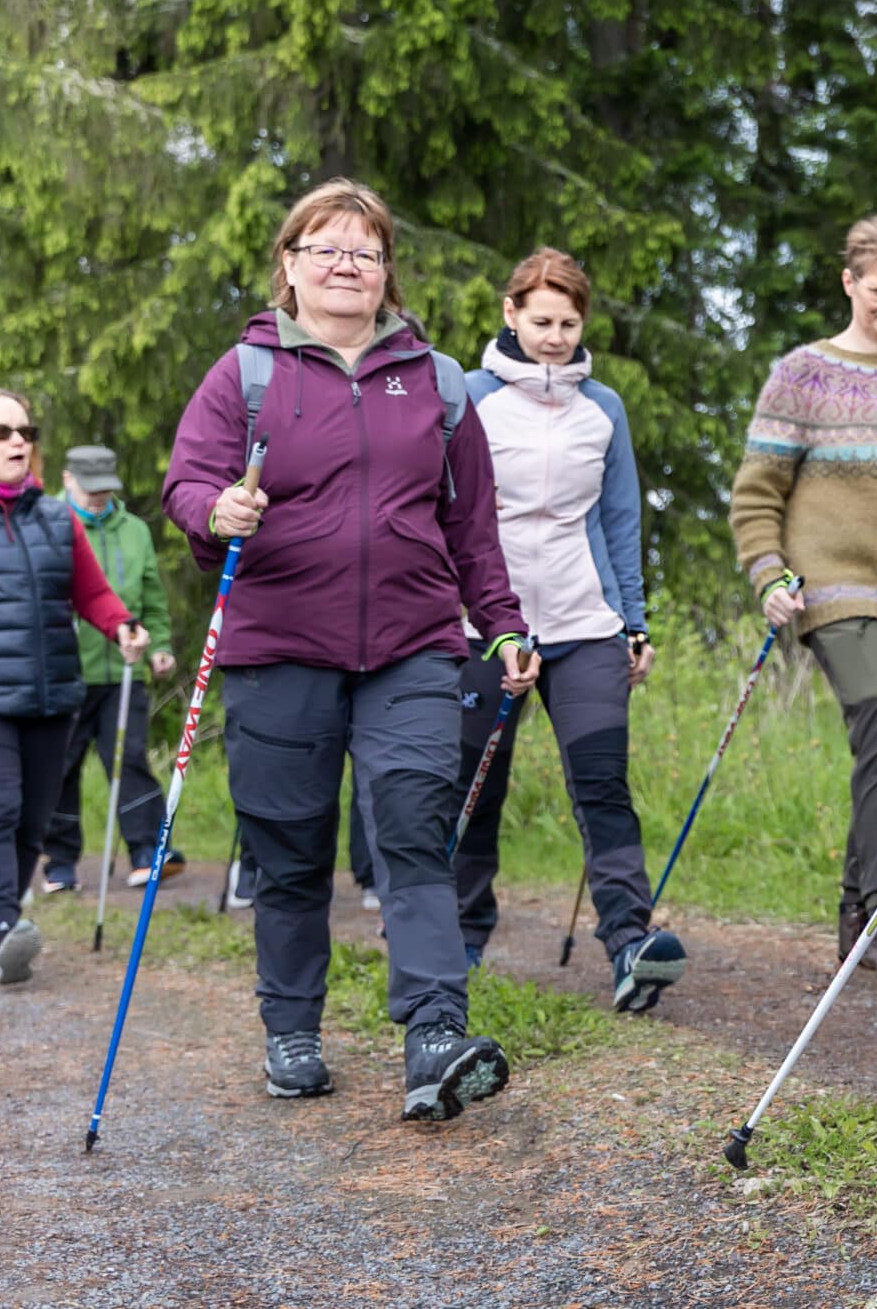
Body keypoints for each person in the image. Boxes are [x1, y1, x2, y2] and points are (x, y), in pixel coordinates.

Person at [162, 178, 539, 1121]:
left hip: (412, 646)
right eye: (324, 249)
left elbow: (472, 528)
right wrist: (217, 508)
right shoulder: (245, 375)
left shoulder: (439, 381)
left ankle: (434, 1032)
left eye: (364, 252)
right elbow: (186, 485)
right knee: (289, 849)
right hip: (278, 647)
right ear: (288, 267)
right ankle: (292, 1028)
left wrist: (500, 622)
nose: (345, 265)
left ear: (385, 275)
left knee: (413, 826)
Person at [447, 246, 684, 1011]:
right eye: (540, 319)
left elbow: (620, 519)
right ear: (510, 314)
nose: (554, 335)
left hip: (586, 624)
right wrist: (470, 617)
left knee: (603, 783)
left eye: (569, 322)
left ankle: (629, 943)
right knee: (476, 787)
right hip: (488, 623)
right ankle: (460, 936)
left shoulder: (602, 408)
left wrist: (634, 622)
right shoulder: (469, 397)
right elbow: (449, 514)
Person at [733, 218, 877, 985]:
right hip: (832, 586)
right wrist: (768, 572)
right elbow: (757, 491)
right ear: (850, 283)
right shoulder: (804, 373)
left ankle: (856, 918)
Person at [0, 390, 145, 983]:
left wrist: (122, 626)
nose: (19, 441)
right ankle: (1, 925)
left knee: (32, 822)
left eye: (25, 430)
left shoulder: (54, 516)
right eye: (0, 432)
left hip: (49, 692)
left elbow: (89, 591)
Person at [39, 445, 179, 893]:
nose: (99, 497)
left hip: (124, 671)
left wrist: (157, 645)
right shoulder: (45, 523)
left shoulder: (135, 531)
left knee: (130, 758)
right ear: (67, 479)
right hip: (65, 670)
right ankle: (59, 860)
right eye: (90, 488)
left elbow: (152, 599)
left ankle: (147, 851)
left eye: (106, 488)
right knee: (61, 764)